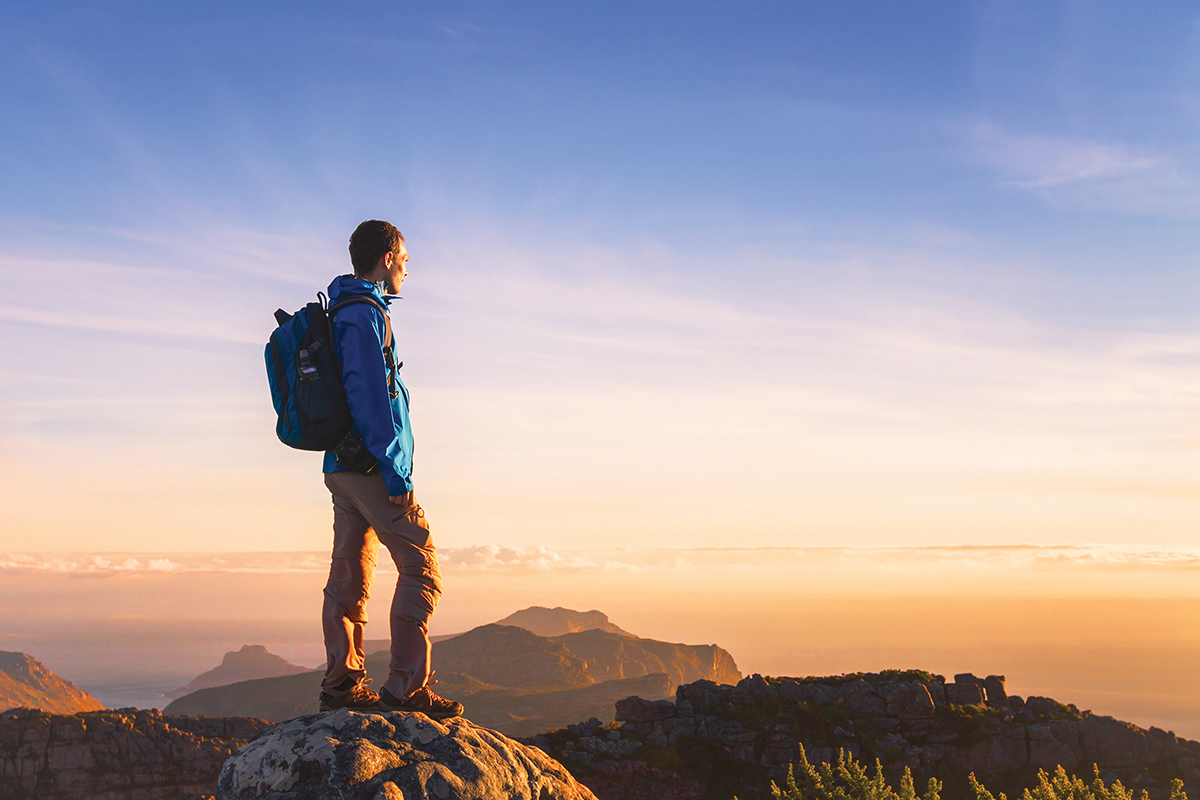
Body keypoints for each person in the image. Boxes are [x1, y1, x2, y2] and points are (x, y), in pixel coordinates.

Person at [317, 219, 463, 719]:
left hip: (342, 463)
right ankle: (405, 687)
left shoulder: (342, 309)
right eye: (405, 259)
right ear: (387, 258)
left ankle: (342, 682)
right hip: (372, 465)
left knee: (350, 569)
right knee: (421, 568)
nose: (407, 268)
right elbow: (370, 397)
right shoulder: (364, 314)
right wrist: (397, 473)